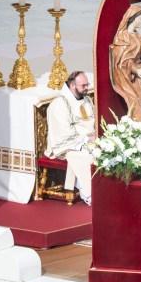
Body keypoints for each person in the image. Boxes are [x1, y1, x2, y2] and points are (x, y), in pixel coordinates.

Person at [45, 71, 95, 205]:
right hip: (68, 145)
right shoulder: (59, 104)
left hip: (90, 139)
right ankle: (90, 194)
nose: (86, 88)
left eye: (87, 84)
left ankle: (101, 189)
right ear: (73, 85)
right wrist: (87, 139)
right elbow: (62, 131)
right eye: (83, 85)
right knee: (85, 156)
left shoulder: (86, 99)